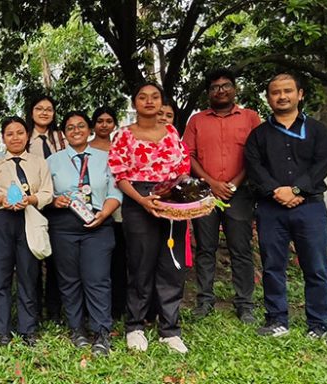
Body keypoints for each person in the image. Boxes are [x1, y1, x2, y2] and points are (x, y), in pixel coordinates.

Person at [244, 74, 327, 347]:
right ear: (268, 98)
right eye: (275, 92)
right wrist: (277, 191)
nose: (281, 96)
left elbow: (321, 165)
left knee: (316, 267)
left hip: (309, 208)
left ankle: (319, 324)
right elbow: (255, 168)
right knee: (273, 266)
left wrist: (296, 191)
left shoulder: (318, 131)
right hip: (271, 209)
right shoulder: (259, 135)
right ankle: (276, 320)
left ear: (300, 94)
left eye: (287, 91)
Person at [109, 82, 191, 354]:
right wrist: (143, 200)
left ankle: (170, 330)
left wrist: (177, 197)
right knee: (140, 266)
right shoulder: (123, 135)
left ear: (161, 102)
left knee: (171, 265)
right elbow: (120, 175)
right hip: (138, 199)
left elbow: (182, 167)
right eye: (142, 97)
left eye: (155, 97)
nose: (149, 101)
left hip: (171, 198)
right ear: (134, 103)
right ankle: (135, 326)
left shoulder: (171, 132)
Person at [182, 67, 261, 322]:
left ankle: (245, 303)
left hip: (238, 194)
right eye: (215, 88)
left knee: (241, 249)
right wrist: (212, 183)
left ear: (234, 88)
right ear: (208, 93)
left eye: (226, 85)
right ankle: (205, 301)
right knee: (205, 249)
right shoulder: (197, 121)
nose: (221, 91)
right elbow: (189, 156)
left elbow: (255, 155)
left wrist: (233, 185)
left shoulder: (250, 118)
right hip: (204, 193)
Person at [48, 111, 123, 355]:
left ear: (89, 129)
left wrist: (105, 213)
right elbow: (44, 193)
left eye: (80, 126)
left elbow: (115, 192)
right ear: (64, 133)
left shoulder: (107, 158)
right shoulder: (53, 161)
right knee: (69, 280)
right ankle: (77, 329)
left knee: (98, 278)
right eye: (70, 127)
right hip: (64, 225)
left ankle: (101, 331)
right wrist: (53, 201)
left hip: (98, 223)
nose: (76, 130)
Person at [0, 117, 53, 346]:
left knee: (28, 274)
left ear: (27, 135)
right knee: (0, 276)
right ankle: (2, 329)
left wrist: (31, 199)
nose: (15, 137)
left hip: (28, 219)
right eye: (9, 134)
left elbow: (47, 193)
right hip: (2, 221)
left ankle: (27, 328)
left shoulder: (39, 163)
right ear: (2, 138)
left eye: (20, 132)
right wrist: (2, 199)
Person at [24, 95, 64, 323]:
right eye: (39, 108)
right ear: (31, 112)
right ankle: (35, 309)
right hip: (33, 205)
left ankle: (55, 310)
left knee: (56, 260)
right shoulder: (24, 136)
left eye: (49, 109)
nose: (44, 113)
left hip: (59, 203)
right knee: (32, 260)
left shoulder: (60, 137)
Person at [90, 106, 127, 322]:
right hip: (94, 211)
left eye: (109, 121)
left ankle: (118, 305)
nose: (104, 125)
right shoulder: (84, 148)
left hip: (120, 211)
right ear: (93, 124)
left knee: (119, 260)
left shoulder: (120, 147)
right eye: (100, 120)